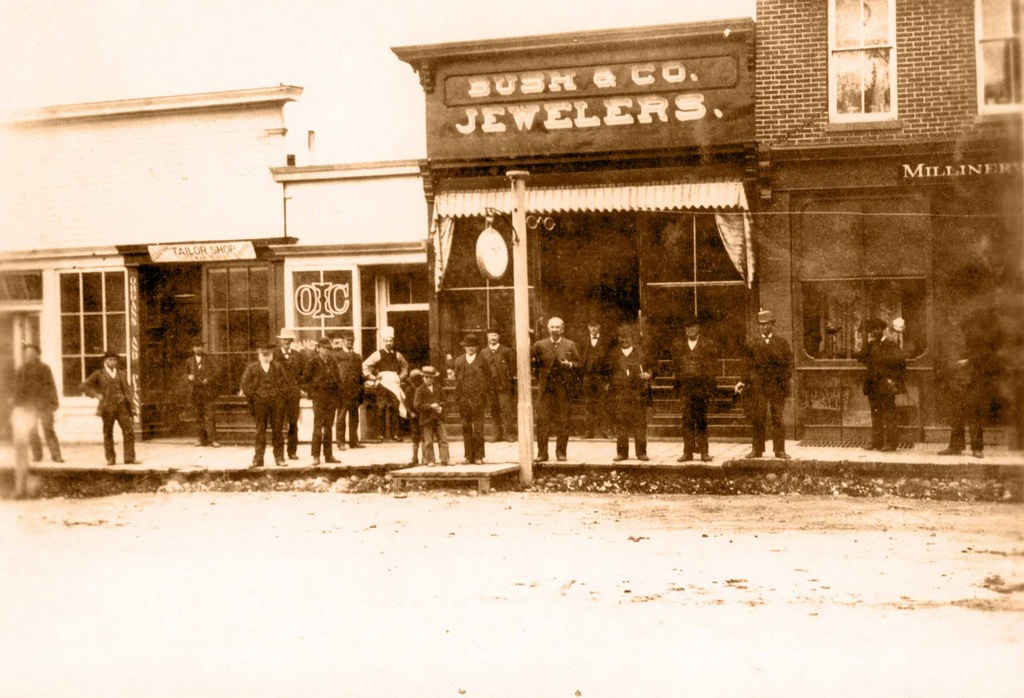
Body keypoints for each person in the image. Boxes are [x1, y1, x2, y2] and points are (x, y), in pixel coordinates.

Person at [735, 309, 793, 459]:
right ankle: (757, 450)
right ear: (758, 326)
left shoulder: (781, 343)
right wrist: (743, 381)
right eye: (762, 325)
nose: (765, 327)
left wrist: (784, 378)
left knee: (778, 418)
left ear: (772, 325)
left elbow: (789, 364)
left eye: (767, 324)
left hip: (776, 386)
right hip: (758, 387)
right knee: (758, 417)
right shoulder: (752, 343)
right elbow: (746, 365)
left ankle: (779, 450)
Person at [939, 313, 996, 458]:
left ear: (962, 318)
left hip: (971, 380)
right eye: (951, 316)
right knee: (956, 415)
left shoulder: (973, 335)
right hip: (954, 380)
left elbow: (983, 355)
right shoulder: (946, 335)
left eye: (956, 317)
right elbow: (943, 357)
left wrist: (968, 361)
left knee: (974, 415)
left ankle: (977, 448)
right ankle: (955, 447)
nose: (954, 319)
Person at [531, 316, 581, 462]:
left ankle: (561, 452)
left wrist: (570, 365)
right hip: (546, 389)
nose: (554, 330)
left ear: (562, 329)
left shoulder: (570, 345)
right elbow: (533, 363)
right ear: (548, 329)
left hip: (563, 389)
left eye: (557, 327)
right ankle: (542, 453)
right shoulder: (540, 345)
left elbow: (579, 364)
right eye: (552, 327)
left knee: (563, 421)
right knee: (542, 421)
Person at [671, 316, 718, 462]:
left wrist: (709, 388)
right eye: (688, 328)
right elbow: (676, 367)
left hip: (701, 388)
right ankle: (688, 452)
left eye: (693, 327)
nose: (690, 330)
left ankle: (704, 452)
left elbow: (712, 367)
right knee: (687, 420)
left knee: (702, 420)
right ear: (685, 330)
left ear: (698, 329)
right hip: (685, 389)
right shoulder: (678, 345)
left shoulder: (708, 344)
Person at [857, 317, 907, 452]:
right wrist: (864, 342)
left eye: (877, 329)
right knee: (875, 413)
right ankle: (876, 442)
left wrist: (893, 380)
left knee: (889, 414)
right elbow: (860, 357)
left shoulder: (891, 345)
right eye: (871, 330)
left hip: (886, 384)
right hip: (873, 385)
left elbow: (901, 365)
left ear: (882, 330)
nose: (874, 332)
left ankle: (891, 443)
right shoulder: (871, 345)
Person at [81, 350, 137, 465]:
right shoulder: (99, 374)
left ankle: (129, 458)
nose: (113, 362)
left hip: (122, 407)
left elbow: (127, 390)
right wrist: (96, 395)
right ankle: (110, 459)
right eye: (110, 360)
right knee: (108, 433)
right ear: (105, 361)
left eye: (115, 360)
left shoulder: (121, 373)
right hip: (107, 408)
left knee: (129, 431)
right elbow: (84, 386)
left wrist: (131, 405)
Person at [12, 343, 63, 463]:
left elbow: (51, 386)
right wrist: (18, 405)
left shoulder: (45, 368)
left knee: (49, 430)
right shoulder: (21, 370)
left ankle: (56, 455)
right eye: (27, 353)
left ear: (37, 355)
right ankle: (37, 455)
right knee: (32, 431)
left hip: (44, 406)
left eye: (31, 353)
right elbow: (18, 389)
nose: (28, 355)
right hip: (28, 406)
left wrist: (54, 403)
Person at [240, 343, 287, 468]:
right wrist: (254, 396)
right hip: (260, 403)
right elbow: (245, 384)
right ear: (259, 355)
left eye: (269, 354)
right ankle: (258, 459)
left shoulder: (278, 367)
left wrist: (279, 396)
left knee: (278, 430)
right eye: (264, 354)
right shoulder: (252, 368)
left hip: (276, 403)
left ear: (272, 355)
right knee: (260, 431)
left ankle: (279, 458)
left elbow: (284, 384)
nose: (266, 357)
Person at [608, 326, 651, 462]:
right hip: (620, 394)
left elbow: (651, 368)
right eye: (622, 337)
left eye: (627, 337)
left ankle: (641, 452)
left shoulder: (641, 353)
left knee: (639, 424)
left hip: (637, 394)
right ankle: (622, 453)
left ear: (632, 339)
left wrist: (648, 374)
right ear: (619, 339)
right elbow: (606, 373)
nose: (625, 340)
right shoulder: (613, 355)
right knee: (621, 423)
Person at [362, 326, 409, 442]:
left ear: (393, 341)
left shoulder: (397, 355)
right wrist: (373, 377)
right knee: (381, 408)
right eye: (386, 341)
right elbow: (365, 366)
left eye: (390, 341)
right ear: (383, 341)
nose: (388, 343)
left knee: (395, 408)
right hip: (382, 384)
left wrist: (401, 376)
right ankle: (380, 434)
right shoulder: (377, 354)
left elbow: (405, 366)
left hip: (394, 383)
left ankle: (395, 434)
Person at [452, 333, 493, 464]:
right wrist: (457, 398)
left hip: (478, 399)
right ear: (464, 347)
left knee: (479, 428)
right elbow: (457, 380)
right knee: (466, 427)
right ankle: (469, 456)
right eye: (468, 346)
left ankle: (479, 455)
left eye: (473, 346)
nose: (470, 348)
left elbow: (488, 379)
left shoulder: (482, 361)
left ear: (476, 347)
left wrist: (484, 397)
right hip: (464, 399)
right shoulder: (459, 361)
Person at [302, 337, 341, 466]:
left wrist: (337, 393)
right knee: (318, 426)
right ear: (318, 348)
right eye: (323, 348)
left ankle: (328, 455)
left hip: (331, 397)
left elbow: (338, 378)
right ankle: (316, 456)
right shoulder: (312, 362)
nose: (326, 351)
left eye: (328, 348)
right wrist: (312, 393)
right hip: (319, 397)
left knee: (329, 427)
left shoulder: (332, 361)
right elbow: (304, 381)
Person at [273, 328, 305, 460]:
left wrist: (300, 387)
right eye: (284, 339)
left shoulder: (298, 356)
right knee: (278, 423)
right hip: (279, 394)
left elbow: (303, 374)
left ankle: (292, 451)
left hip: (293, 393)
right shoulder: (274, 355)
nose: (286, 341)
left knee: (293, 423)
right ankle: (279, 454)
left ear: (292, 341)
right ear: (281, 340)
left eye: (288, 339)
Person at [480, 329, 516, 442]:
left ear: (499, 337)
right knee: (493, 410)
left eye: (495, 335)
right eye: (491, 335)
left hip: (503, 387)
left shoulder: (507, 351)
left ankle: (509, 434)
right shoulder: (483, 352)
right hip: (490, 387)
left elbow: (512, 369)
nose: (493, 337)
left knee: (506, 410)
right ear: (487, 337)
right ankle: (496, 434)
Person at [579, 319, 613, 438]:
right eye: (591, 326)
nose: (593, 329)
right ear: (588, 327)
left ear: (599, 327)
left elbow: (610, 359)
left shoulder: (606, 340)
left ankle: (606, 431)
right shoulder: (583, 340)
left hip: (601, 376)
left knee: (603, 403)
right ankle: (589, 432)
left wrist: (608, 379)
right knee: (588, 404)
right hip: (587, 376)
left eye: (595, 326)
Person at [184, 338, 220, 448]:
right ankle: (201, 440)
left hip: (207, 392)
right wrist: (188, 377)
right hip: (195, 392)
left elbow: (217, 371)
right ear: (193, 348)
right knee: (198, 417)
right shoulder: (189, 361)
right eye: (195, 347)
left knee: (209, 416)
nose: (197, 348)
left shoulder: (209, 359)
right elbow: (184, 375)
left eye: (199, 346)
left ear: (202, 347)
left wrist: (208, 379)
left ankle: (213, 440)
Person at [333, 330, 365, 449]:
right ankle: (340, 442)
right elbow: (334, 374)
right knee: (341, 417)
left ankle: (353, 441)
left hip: (354, 391)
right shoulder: (337, 356)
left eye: (352, 340)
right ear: (342, 341)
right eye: (348, 340)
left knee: (354, 417)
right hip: (342, 391)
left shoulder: (357, 357)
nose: (350, 342)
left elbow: (360, 374)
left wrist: (361, 389)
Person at [415, 365, 450, 466]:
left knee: (443, 439)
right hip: (426, 419)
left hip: (438, 417)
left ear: (434, 378)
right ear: (423, 378)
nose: (429, 380)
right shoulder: (420, 389)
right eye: (426, 377)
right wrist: (430, 406)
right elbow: (417, 405)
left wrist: (440, 407)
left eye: (431, 377)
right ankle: (429, 460)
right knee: (428, 441)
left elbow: (445, 401)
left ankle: (445, 459)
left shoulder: (438, 388)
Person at [402, 368, 425, 465]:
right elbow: (406, 403)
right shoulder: (409, 390)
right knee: (415, 436)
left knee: (424, 436)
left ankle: (425, 457)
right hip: (414, 416)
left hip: (423, 415)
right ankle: (415, 457)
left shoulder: (423, 388)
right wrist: (410, 412)